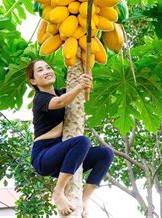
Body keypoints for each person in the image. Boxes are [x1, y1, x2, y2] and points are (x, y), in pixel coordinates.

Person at [25, 59, 114, 217]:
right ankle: (58, 193)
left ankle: (84, 199)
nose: (46, 71)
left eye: (48, 67)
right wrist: (79, 86)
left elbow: (79, 96)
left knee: (106, 153)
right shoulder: (40, 98)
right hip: (43, 156)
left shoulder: (62, 92)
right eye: (40, 70)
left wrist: (85, 81)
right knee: (83, 141)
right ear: (33, 81)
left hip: (63, 156)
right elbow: (60, 102)